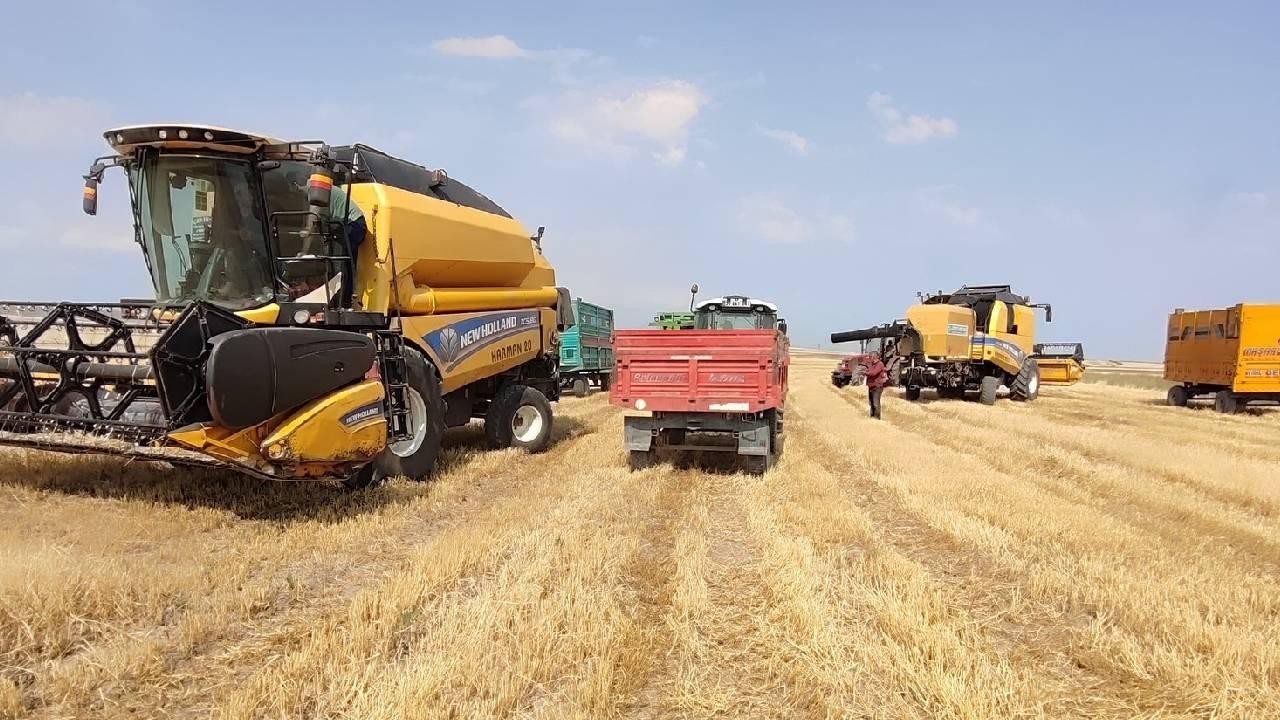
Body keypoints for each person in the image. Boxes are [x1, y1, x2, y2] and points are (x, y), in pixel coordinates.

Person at [859, 353, 889, 419]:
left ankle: (877, 418)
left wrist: (865, 373)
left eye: (871, 357)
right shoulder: (873, 364)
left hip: (877, 386)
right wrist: (866, 371)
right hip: (871, 386)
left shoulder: (880, 364)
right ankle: (872, 417)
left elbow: (873, 373)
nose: (870, 358)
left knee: (876, 403)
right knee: (871, 403)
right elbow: (870, 371)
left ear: (874, 357)